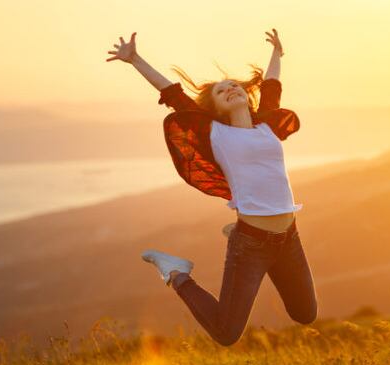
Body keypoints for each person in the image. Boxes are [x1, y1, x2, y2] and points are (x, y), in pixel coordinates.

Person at [106, 29, 317, 346]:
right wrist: (135, 59)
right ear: (215, 109)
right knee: (226, 332)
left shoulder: (267, 125)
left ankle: (234, 230)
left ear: (246, 94)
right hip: (252, 245)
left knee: (305, 314)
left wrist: (278, 54)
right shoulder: (214, 132)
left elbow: (272, 86)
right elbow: (173, 94)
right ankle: (176, 273)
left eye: (234, 86)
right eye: (222, 91)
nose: (231, 89)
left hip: (289, 238)